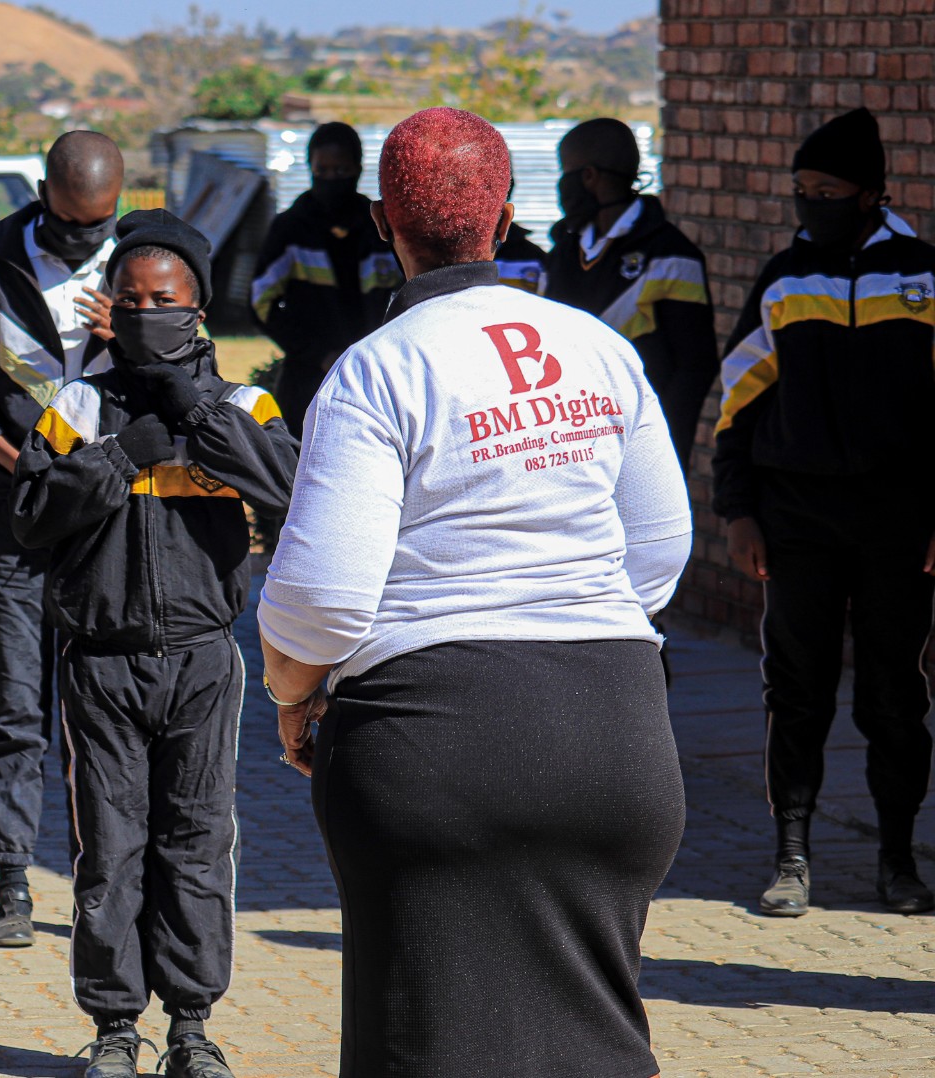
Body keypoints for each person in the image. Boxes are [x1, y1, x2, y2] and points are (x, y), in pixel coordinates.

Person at [258, 107, 692, 1078]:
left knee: (430, 1039)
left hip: (432, 754)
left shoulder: (376, 369)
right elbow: (660, 550)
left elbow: (323, 596)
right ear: (503, 219)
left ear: (385, 223)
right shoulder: (598, 348)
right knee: (594, 1038)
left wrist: (293, 692)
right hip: (616, 740)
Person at [14, 210, 297, 1078]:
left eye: (163, 300)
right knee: (110, 851)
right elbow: (29, 518)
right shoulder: (76, 404)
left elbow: (290, 487)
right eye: (130, 300)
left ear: (198, 307)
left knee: (197, 844)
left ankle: (192, 1026)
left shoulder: (244, 405)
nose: (145, 314)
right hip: (101, 662)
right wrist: (114, 459)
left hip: (203, 659)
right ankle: (113, 1026)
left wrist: (196, 412)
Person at [714, 107, 935, 918]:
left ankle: (897, 861)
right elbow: (737, 405)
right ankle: (792, 856)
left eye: (828, 189)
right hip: (796, 521)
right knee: (796, 691)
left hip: (898, 524)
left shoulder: (923, 277)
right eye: (801, 188)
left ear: (872, 194)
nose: (811, 202)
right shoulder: (785, 279)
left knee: (894, 698)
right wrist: (738, 511)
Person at [0, 129, 123, 947]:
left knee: (101, 709)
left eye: (100, 222)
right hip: (17, 512)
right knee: (15, 703)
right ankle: (11, 878)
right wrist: (9, 454)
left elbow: (191, 367)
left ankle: (97, 884)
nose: (87, 238)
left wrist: (129, 337)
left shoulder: (138, 258)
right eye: (73, 224)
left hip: (110, 515)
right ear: (45, 197)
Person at [544, 117, 718, 470]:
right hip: (570, 446)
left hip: (640, 445)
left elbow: (694, 367)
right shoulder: (564, 251)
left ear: (588, 177)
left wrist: (662, 451)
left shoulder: (670, 254)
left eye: (565, 173)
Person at [249, 122, 401, 426]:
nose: (332, 179)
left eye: (341, 170)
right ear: (310, 168)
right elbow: (260, 303)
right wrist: (318, 354)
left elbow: (406, 290)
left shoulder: (379, 226)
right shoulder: (291, 228)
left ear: (358, 169)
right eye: (323, 171)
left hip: (374, 373)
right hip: (308, 380)